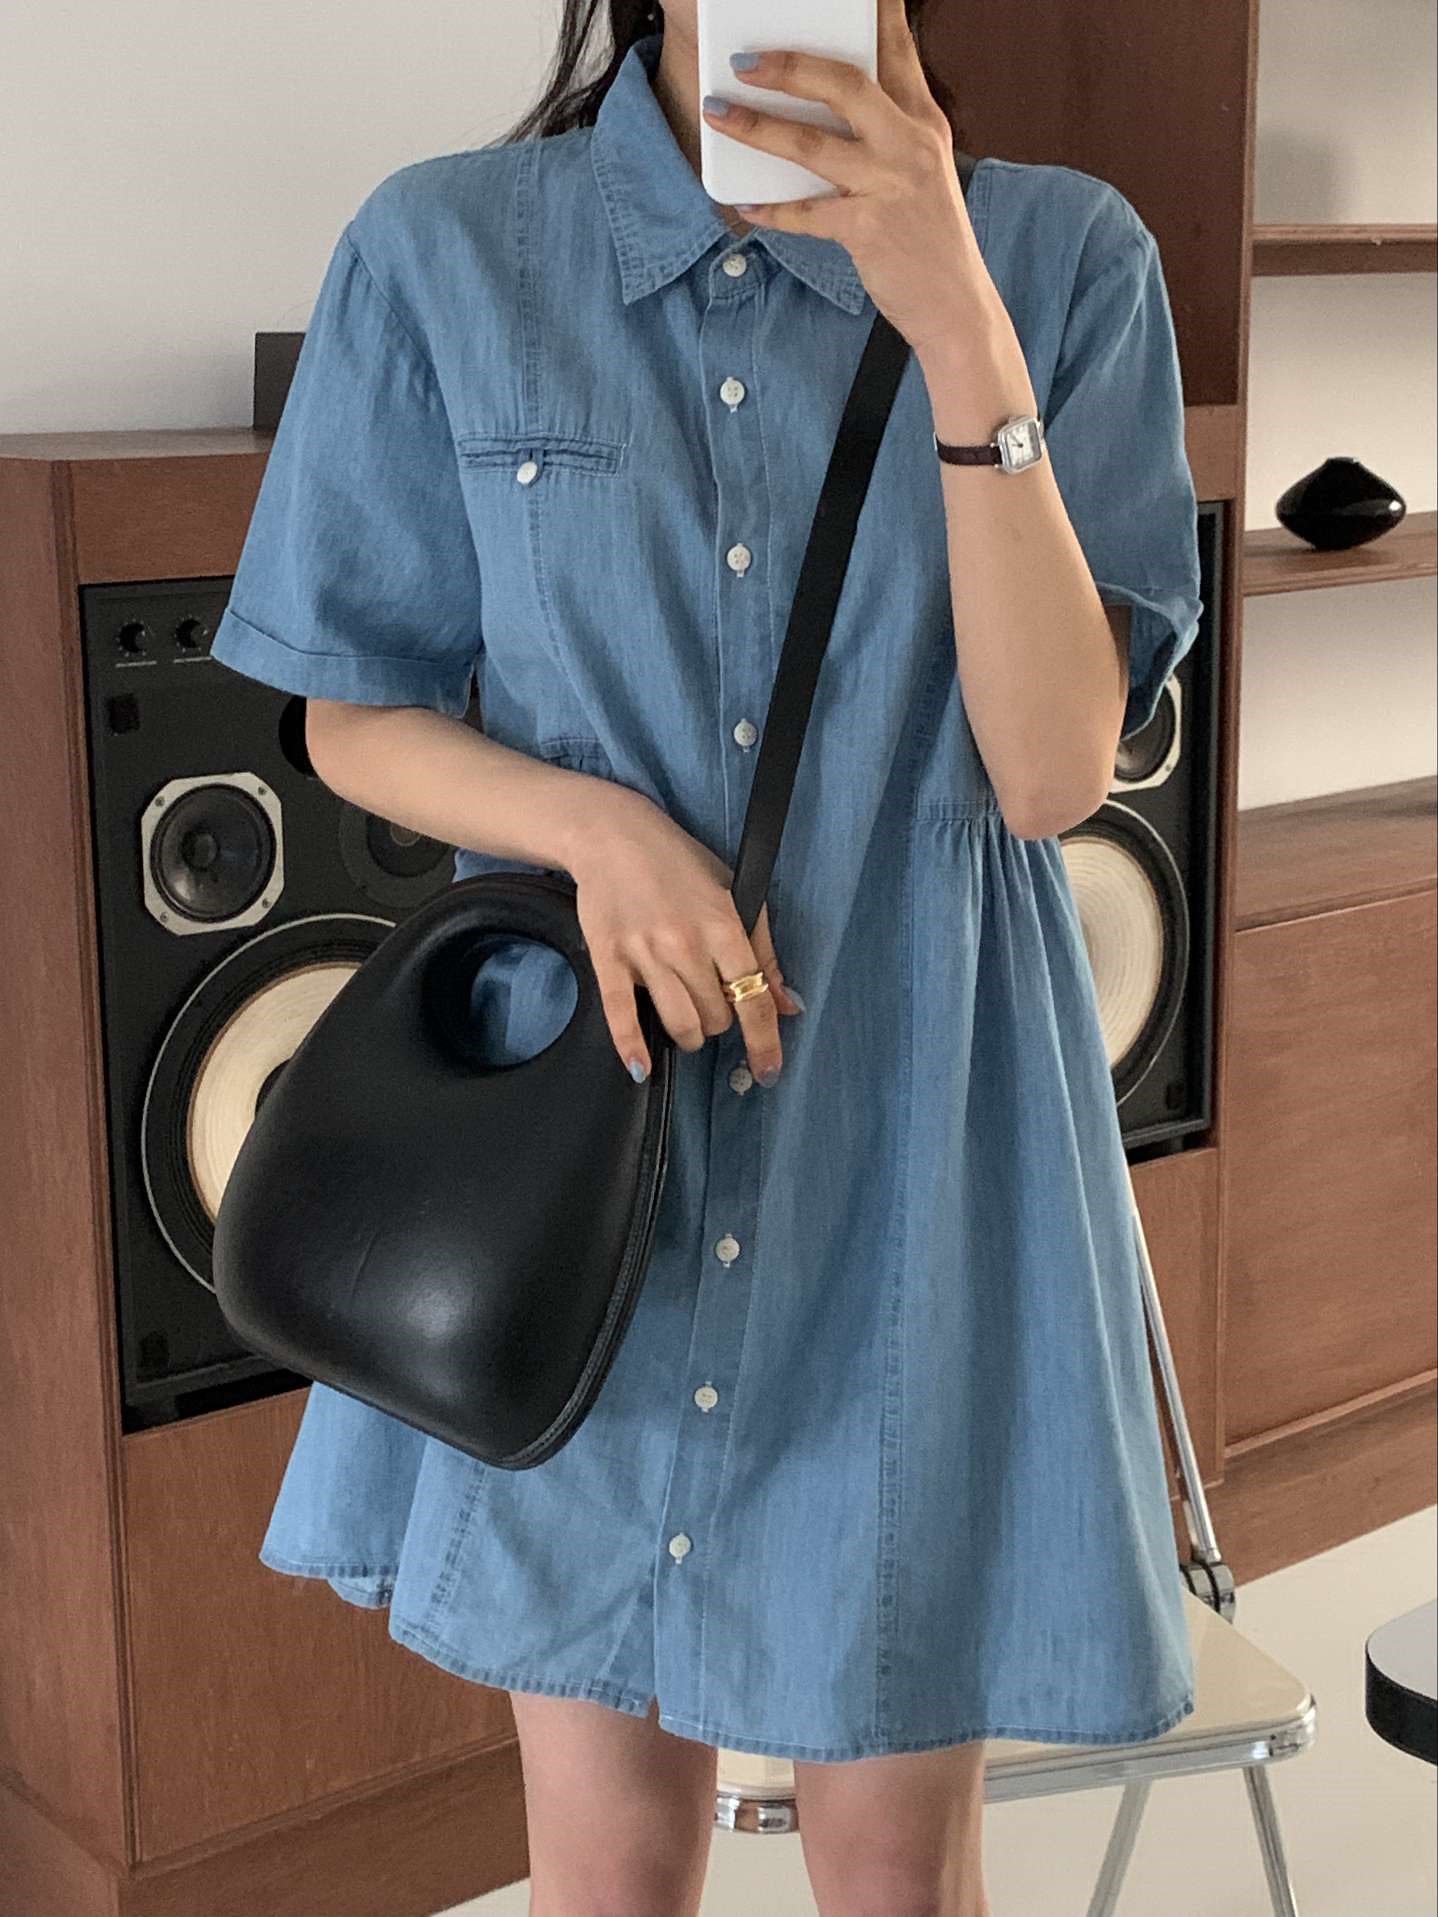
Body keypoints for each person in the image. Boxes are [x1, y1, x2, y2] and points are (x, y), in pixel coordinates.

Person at [209, 0, 1204, 1911]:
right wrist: (598, 831)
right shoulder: (445, 248)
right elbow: (351, 707)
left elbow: (1048, 769)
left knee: (894, 1869)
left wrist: (954, 317)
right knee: (606, 1862)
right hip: (578, 1129)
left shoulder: (1063, 256)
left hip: (912, 1137)